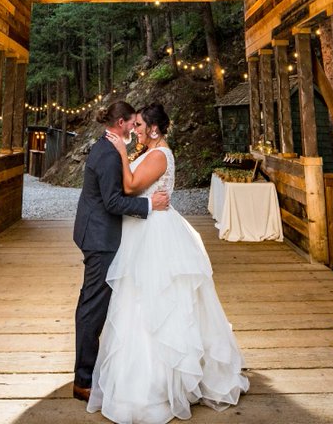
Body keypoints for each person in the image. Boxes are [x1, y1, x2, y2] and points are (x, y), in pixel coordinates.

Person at [88, 103, 248, 424]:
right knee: (136, 301)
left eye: (140, 125)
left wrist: (120, 152)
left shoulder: (160, 155)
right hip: (143, 228)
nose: (135, 130)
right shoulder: (150, 151)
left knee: (158, 301)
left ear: (154, 129)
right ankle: (141, 377)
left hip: (156, 235)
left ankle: (163, 382)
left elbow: (131, 186)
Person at [73, 101, 171, 403]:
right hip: (100, 238)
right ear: (120, 123)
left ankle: (97, 371)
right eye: (132, 123)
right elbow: (113, 202)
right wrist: (149, 204)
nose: (134, 128)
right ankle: (83, 380)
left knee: (96, 303)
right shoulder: (107, 153)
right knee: (93, 306)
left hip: (104, 234)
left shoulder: (110, 148)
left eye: (139, 124)